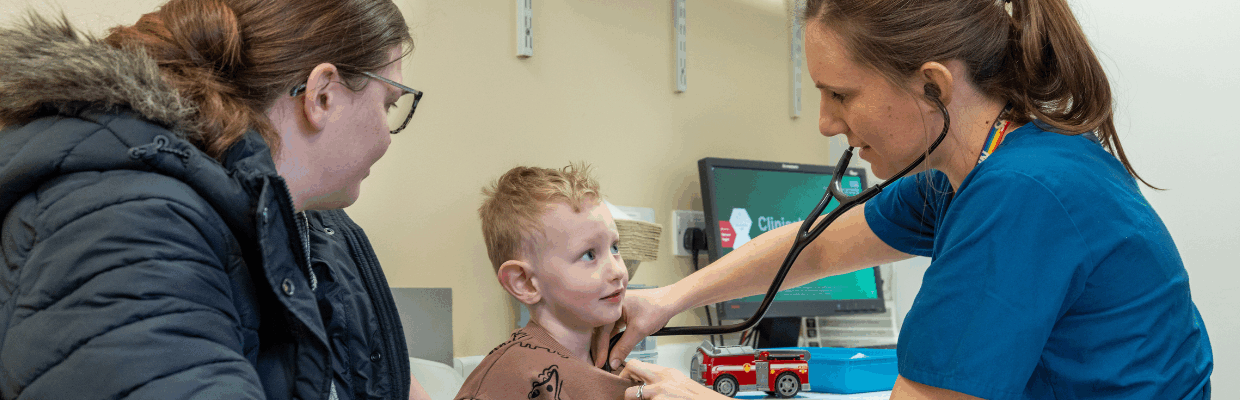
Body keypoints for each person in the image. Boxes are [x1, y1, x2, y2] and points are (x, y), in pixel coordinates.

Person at [606, 0, 1213, 399]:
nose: (824, 123)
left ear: (933, 86)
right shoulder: (984, 169)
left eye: (839, 95)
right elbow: (812, 252)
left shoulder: (1017, 195)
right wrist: (664, 299)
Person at [0, 0, 432, 399]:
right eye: (390, 105)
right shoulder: (127, 219)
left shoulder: (309, 228)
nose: (386, 136)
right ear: (322, 95)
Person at [458, 164, 639, 400]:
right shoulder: (509, 380)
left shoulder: (619, 369)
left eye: (615, 247)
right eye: (589, 255)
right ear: (524, 283)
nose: (617, 270)